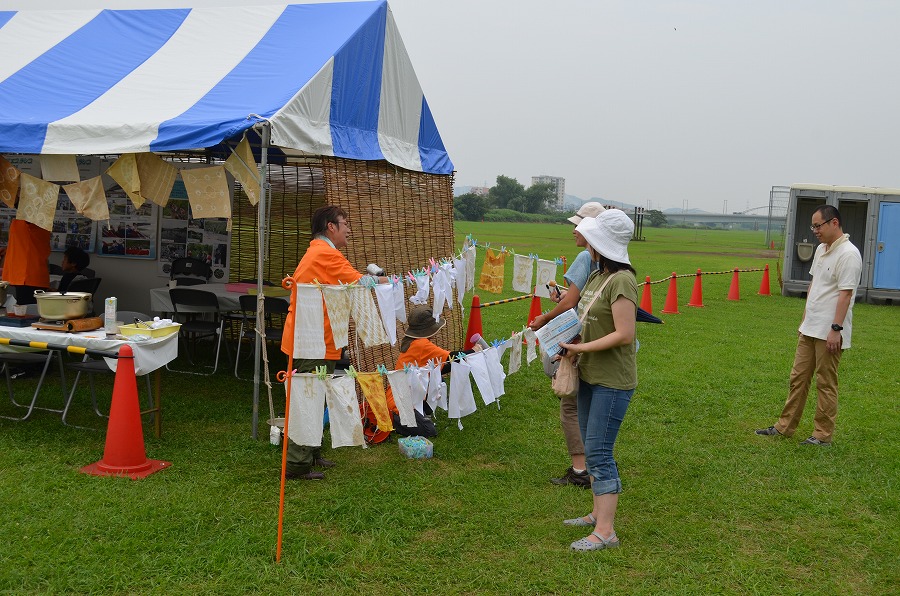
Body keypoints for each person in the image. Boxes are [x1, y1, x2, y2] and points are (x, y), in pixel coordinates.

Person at [281, 205, 387, 480]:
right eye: (345, 223)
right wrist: (389, 280)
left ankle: (311, 453)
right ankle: (297, 465)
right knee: (307, 399)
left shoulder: (320, 252)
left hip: (317, 337)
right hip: (311, 338)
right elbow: (360, 282)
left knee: (316, 398)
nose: (349, 229)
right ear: (331, 226)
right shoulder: (326, 253)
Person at [558, 209, 638, 552]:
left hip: (612, 380)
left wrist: (582, 347)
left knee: (600, 452)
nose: (584, 239)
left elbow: (624, 333)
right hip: (590, 373)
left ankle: (606, 531)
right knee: (592, 450)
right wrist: (571, 344)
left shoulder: (622, 281)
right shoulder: (596, 276)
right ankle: (596, 514)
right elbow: (586, 319)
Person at [755, 205, 862, 446]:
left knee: (825, 382)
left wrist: (836, 330)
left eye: (818, 225)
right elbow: (814, 285)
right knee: (798, 378)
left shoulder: (849, 254)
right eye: (812, 226)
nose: (814, 230)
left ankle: (822, 435)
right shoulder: (822, 250)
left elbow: (845, 295)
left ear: (834, 223)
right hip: (810, 328)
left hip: (829, 332)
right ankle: (785, 427)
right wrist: (805, 318)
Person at [530, 201, 606, 488]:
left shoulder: (585, 258)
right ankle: (596, 461)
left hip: (578, 340)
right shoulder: (609, 260)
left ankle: (579, 471)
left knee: (571, 405)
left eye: (578, 225)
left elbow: (572, 302)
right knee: (589, 402)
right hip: (599, 339)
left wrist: (545, 317)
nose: (573, 230)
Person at [1, 219, 50, 305]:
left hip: (28, 276)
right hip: (26, 275)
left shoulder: (31, 218)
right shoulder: (24, 221)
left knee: (27, 313)